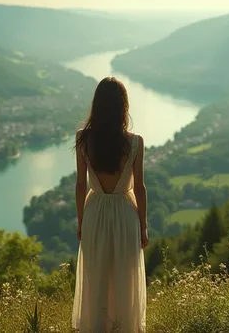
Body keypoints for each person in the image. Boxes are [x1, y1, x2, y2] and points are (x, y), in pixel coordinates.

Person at [71, 77, 148, 333]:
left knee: (96, 277)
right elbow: (139, 188)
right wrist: (144, 226)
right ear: (123, 107)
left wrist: (81, 221)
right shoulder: (135, 142)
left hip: (94, 212)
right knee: (125, 278)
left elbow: (81, 185)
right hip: (126, 213)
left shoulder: (83, 139)